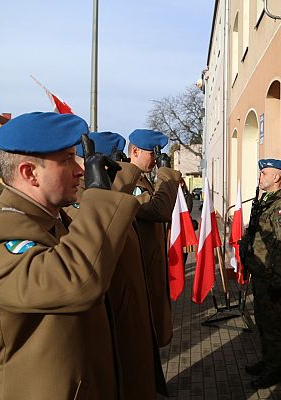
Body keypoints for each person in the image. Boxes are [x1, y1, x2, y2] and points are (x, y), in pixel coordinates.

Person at [0, 112, 139, 399]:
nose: (81, 169)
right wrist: (99, 198)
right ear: (29, 173)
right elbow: (75, 281)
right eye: (67, 158)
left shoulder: (51, 221)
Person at [69, 131, 166, 399]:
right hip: (112, 313)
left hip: (129, 304)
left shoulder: (103, 195)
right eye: (113, 162)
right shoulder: (81, 200)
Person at [242, 159, 281, 389]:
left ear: (276, 178)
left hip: (272, 280)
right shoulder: (266, 203)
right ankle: (267, 362)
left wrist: (277, 281)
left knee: (274, 326)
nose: (260, 176)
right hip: (261, 276)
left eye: (263, 173)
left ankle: (274, 372)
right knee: (264, 323)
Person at [128, 128, 182, 347]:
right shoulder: (129, 184)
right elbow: (158, 209)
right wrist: (166, 173)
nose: (156, 159)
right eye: (152, 153)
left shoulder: (143, 180)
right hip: (140, 270)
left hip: (150, 265)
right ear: (135, 151)